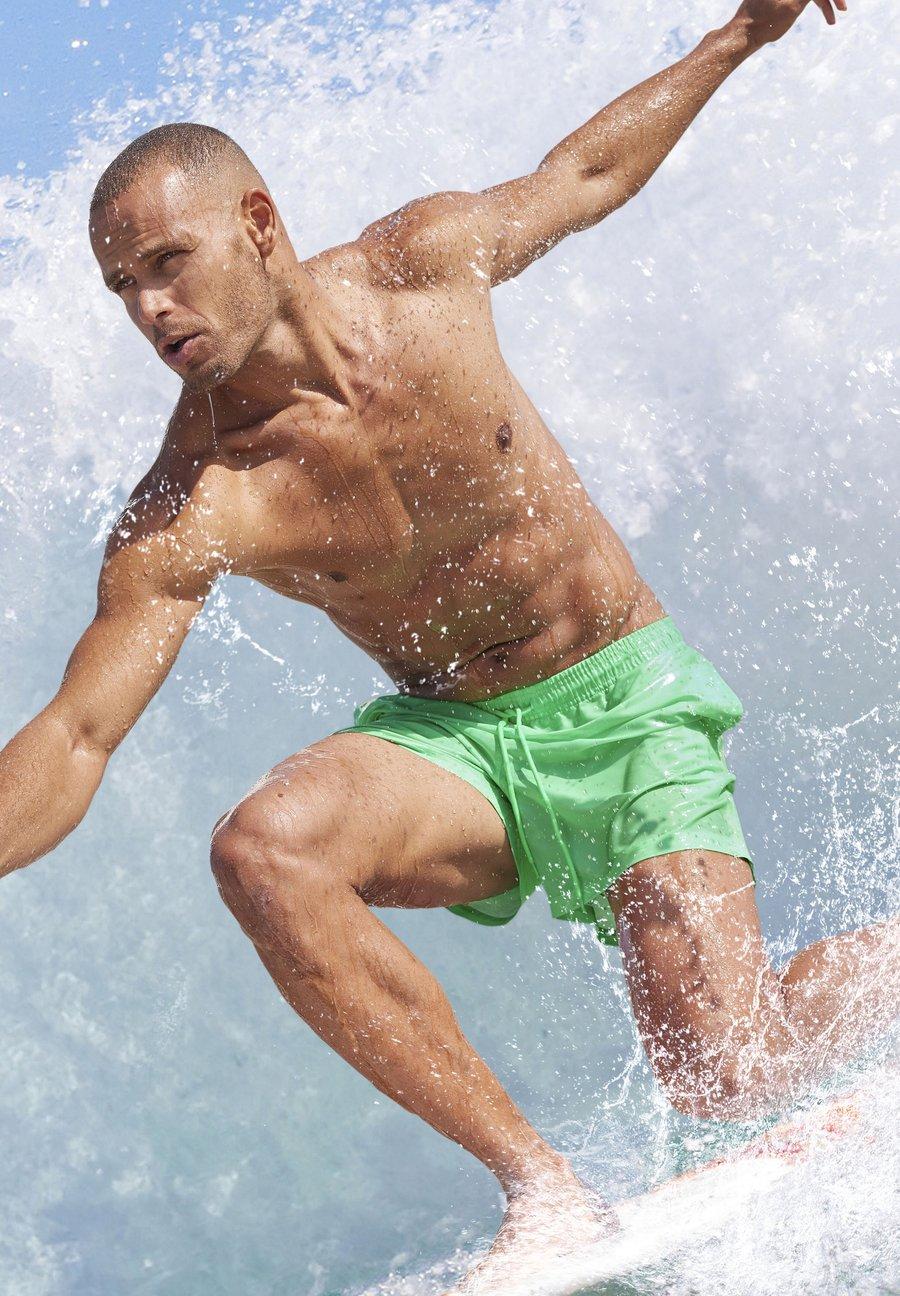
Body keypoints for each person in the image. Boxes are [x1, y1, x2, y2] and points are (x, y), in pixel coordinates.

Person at [2, 0, 894, 1287]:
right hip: (457, 747)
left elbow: (584, 176)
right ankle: (543, 1189)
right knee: (265, 849)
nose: (150, 308)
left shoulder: (420, 270)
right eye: (121, 287)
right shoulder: (196, 503)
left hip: (624, 700)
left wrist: (740, 35)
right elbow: (77, 737)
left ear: (259, 224)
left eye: (167, 263)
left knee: (730, 1076)